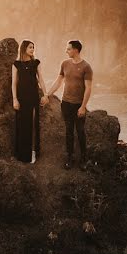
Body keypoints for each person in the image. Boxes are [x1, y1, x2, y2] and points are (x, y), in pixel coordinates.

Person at [44, 40, 93, 169]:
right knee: (69, 131)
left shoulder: (86, 67)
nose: (66, 51)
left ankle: (83, 159)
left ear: (76, 50)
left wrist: (83, 107)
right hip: (66, 103)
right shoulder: (65, 64)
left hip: (78, 105)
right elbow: (59, 81)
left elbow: (88, 88)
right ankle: (69, 158)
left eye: (69, 49)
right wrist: (48, 94)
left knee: (81, 132)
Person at [11, 40, 48, 163]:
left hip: (33, 97)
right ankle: (21, 155)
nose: (32, 49)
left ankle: (33, 153)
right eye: (30, 47)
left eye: (33, 47)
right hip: (21, 98)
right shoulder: (16, 64)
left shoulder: (36, 63)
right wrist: (15, 99)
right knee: (22, 125)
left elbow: (41, 80)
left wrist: (45, 94)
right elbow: (14, 83)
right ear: (24, 49)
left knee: (33, 125)